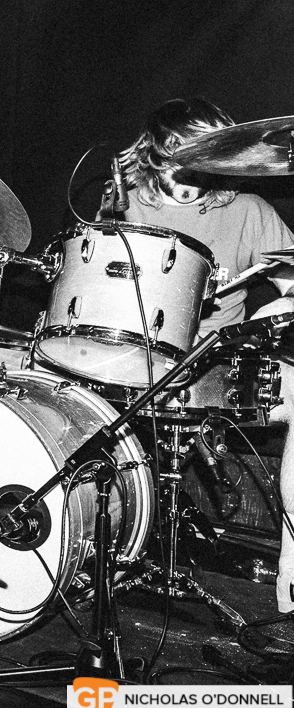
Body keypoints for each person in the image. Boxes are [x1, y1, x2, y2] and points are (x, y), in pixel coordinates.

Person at [113, 98, 294, 611]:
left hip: (217, 367)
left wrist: (270, 313)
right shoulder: (121, 204)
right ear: (155, 153)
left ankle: (292, 578)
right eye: (184, 156)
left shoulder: (247, 210)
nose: (196, 171)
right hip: (131, 360)